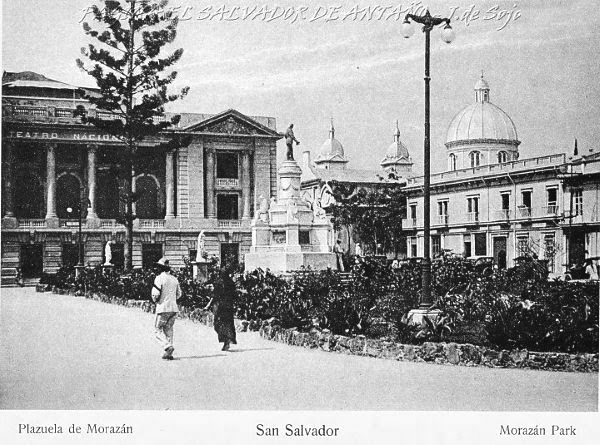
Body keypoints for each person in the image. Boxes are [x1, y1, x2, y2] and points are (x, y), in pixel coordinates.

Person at [151, 258, 181, 360]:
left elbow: (155, 294)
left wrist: (156, 301)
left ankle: (167, 347)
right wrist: (172, 299)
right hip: (173, 308)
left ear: (160, 268)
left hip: (163, 308)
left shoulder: (159, 278)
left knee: (157, 330)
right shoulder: (174, 279)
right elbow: (179, 294)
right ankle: (169, 353)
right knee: (169, 329)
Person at [205, 268, 237, 351]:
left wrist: (208, 305)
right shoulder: (231, 282)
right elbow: (234, 295)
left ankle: (226, 340)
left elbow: (214, 296)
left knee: (217, 324)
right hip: (229, 306)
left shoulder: (219, 282)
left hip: (221, 306)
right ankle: (228, 340)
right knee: (228, 324)